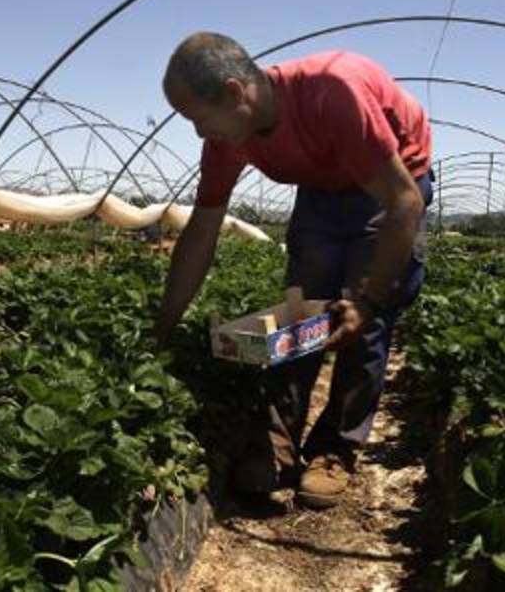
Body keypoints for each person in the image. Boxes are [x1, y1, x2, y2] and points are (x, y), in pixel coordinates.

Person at [154, 32, 432, 509]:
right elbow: (202, 230)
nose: (200, 134)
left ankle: (335, 450)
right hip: (322, 186)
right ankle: (276, 442)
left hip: (390, 181)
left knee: (359, 323)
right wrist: (162, 326)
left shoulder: (332, 93)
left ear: (235, 93)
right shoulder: (228, 140)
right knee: (302, 309)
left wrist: (367, 299)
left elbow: (403, 201)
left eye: (198, 119)